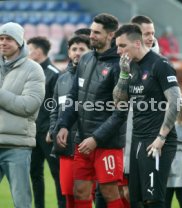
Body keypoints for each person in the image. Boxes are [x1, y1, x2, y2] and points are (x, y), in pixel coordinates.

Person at [56, 13, 127, 208]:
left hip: (107, 142)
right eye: (92, 31)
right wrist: (63, 125)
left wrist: (96, 138)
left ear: (110, 35)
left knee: (109, 192)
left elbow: (120, 112)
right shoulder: (86, 59)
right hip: (82, 140)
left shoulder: (119, 65)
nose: (92, 36)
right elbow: (73, 97)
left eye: (97, 32)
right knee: (80, 190)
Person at [113, 23, 181, 208]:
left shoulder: (160, 64)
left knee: (153, 200)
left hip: (157, 140)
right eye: (117, 46)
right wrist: (124, 74)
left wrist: (161, 137)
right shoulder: (130, 67)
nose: (118, 51)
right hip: (138, 138)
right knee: (136, 200)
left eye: (122, 46)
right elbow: (119, 102)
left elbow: (175, 101)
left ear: (136, 43)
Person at [0, 22, 45, 208]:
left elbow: (29, 105)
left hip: (17, 146)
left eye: (8, 38)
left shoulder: (34, 69)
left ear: (19, 42)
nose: (3, 42)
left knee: (22, 202)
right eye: (1, 38)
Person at [49, 35, 91, 208]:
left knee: (86, 195)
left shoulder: (96, 77)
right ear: (68, 52)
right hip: (65, 147)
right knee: (68, 194)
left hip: (87, 145)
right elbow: (54, 110)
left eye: (82, 49)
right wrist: (54, 130)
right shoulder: (62, 79)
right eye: (74, 49)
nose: (77, 53)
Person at [27, 36, 65, 208]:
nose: (27, 54)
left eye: (29, 50)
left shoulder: (54, 73)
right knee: (34, 172)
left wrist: (53, 128)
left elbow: (58, 105)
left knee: (57, 173)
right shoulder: (30, 72)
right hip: (32, 132)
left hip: (48, 133)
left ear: (38, 51)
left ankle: (62, 205)